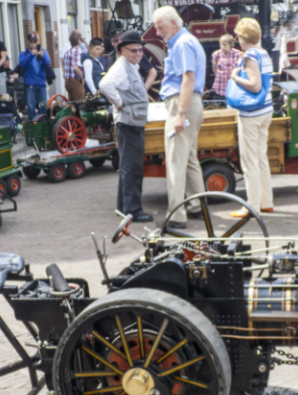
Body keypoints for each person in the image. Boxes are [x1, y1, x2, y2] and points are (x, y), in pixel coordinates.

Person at [153, 6, 206, 229]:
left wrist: (179, 114)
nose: (157, 32)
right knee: (190, 158)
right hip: (191, 103)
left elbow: (188, 79)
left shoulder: (182, 44)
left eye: (160, 27)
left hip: (181, 103)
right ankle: (197, 206)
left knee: (176, 161)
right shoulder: (187, 41)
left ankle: (176, 216)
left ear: (174, 23)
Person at [99, 31, 153, 223]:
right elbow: (104, 85)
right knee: (133, 167)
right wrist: (119, 103)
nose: (138, 54)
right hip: (129, 123)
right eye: (134, 50)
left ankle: (124, 207)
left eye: (140, 50)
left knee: (128, 166)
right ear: (122, 50)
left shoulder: (129, 65)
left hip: (131, 122)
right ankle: (133, 210)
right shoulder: (121, 66)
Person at [228, 18, 275, 218]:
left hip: (251, 113)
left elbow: (255, 86)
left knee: (249, 161)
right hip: (266, 110)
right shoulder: (263, 53)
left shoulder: (250, 56)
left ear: (243, 37)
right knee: (261, 157)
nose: (237, 40)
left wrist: (235, 77)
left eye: (238, 36)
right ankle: (266, 201)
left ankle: (252, 205)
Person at [19, 33, 50, 120]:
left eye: (35, 41)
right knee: (31, 106)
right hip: (30, 84)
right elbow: (22, 64)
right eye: (31, 41)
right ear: (28, 42)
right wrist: (31, 54)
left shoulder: (42, 52)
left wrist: (42, 56)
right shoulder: (24, 54)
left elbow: (48, 64)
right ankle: (33, 123)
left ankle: (43, 122)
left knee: (42, 105)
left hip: (41, 84)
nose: (33, 43)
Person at [211, 34, 242, 99]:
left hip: (233, 88)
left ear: (230, 45)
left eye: (225, 45)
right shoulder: (216, 54)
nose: (222, 47)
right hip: (220, 87)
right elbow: (214, 69)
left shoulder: (238, 54)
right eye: (221, 44)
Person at [62, 31, 85, 101]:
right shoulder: (76, 51)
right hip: (75, 81)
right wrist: (82, 77)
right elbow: (75, 67)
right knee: (80, 104)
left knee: (72, 105)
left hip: (67, 81)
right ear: (79, 41)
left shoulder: (67, 52)